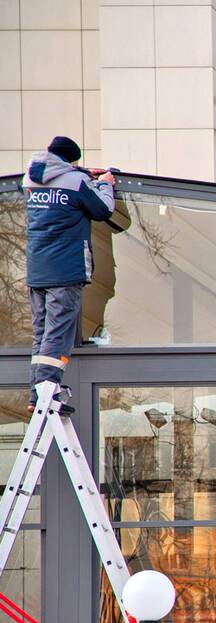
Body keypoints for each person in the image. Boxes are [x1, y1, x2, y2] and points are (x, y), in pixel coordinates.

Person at [22, 136, 115, 414]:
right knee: (58, 333)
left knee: (42, 333)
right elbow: (102, 209)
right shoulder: (76, 181)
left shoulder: (29, 179)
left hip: (38, 270)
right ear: (71, 160)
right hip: (66, 270)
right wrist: (104, 184)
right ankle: (48, 391)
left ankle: (36, 395)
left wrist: (82, 174)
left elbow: (59, 187)